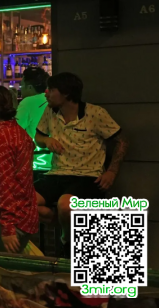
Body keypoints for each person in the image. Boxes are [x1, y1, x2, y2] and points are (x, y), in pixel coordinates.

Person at [34, 72, 128, 255]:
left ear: (66, 93)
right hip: (56, 173)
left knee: (66, 205)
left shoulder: (95, 113)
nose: (46, 93)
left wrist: (112, 172)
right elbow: (39, 136)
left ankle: (67, 239)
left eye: (51, 89)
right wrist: (46, 140)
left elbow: (122, 141)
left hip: (87, 176)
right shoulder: (50, 112)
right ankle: (68, 227)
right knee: (23, 201)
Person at [0, 86, 38, 253]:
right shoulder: (19, 132)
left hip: (7, 217)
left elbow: (6, 182)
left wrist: (7, 226)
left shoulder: (1, 136)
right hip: (25, 212)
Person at [16, 66, 49, 141]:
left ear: (30, 87)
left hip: (35, 147)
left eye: (21, 85)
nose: (20, 89)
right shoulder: (50, 98)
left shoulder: (27, 102)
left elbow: (15, 130)